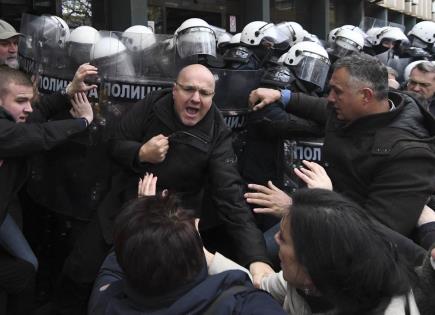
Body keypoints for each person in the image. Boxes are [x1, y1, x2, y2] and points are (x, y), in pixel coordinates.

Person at [58, 63, 273, 314]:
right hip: (123, 206)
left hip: (169, 228)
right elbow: (114, 143)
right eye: (189, 90)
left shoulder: (217, 132)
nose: (195, 98)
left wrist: (257, 258)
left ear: (213, 97)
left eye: (204, 93)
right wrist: (140, 153)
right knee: (80, 269)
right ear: (174, 90)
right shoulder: (153, 104)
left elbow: (231, 198)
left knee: (154, 289)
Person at [248, 53, 435, 251]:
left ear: (366, 96)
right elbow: (323, 109)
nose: (330, 98)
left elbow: (376, 237)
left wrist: (297, 209)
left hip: (349, 248)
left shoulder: (408, 157)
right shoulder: (358, 110)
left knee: (262, 263)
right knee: (254, 254)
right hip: (325, 214)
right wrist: (283, 96)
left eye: (337, 92)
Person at [208, 188, 435, 315]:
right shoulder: (305, 280)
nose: (274, 239)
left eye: (284, 238)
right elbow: (262, 285)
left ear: (313, 262)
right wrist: (203, 256)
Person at [88, 192, 287, 315]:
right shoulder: (248, 305)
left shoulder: (104, 303)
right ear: (196, 249)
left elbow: (112, 269)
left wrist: (140, 223)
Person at [0, 64, 95, 313]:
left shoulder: (15, 120)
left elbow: (38, 116)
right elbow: (39, 134)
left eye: (29, 100)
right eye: (20, 101)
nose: (28, 108)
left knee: (28, 263)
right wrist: (84, 122)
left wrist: (68, 91)